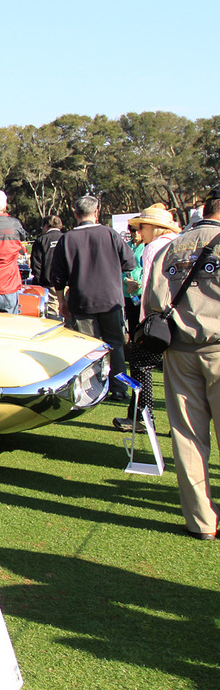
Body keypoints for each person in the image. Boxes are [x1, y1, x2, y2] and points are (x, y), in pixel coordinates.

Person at [143, 190, 220, 539]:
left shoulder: (173, 245)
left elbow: (154, 299)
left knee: (188, 437)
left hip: (179, 349)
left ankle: (201, 521)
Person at [48, 195, 134, 396]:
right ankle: (119, 388)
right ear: (97, 212)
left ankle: (91, 389)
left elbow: (58, 277)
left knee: (87, 348)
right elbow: (129, 263)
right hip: (111, 300)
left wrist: (61, 302)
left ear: (75, 214)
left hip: (82, 301)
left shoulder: (67, 239)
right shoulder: (111, 234)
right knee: (116, 346)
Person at [117, 204, 181, 431]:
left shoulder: (153, 247)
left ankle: (143, 417)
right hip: (181, 318)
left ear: (154, 227)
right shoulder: (178, 244)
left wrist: (144, 321)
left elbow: (149, 287)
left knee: (140, 364)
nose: (138, 231)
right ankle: (182, 424)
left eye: (141, 226)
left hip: (157, 316)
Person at [29, 215, 64, 318]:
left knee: (53, 313)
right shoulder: (67, 238)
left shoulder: (41, 240)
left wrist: (39, 283)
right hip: (67, 283)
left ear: (46, 226)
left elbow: (36, 265)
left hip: (49, 284)